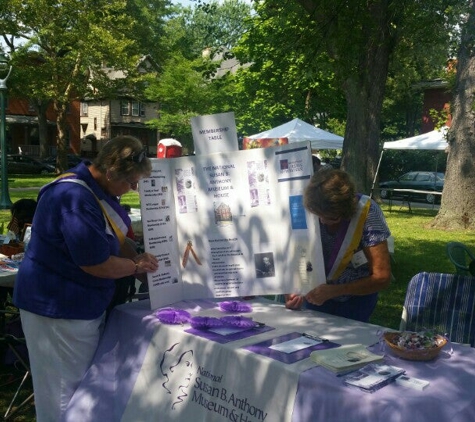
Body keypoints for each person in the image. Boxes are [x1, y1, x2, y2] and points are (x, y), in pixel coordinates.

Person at [13, 135, 159, 422]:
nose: (133, 188)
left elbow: (114, 240)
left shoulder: (94, 189)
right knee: (64, 395)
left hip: (74, 305)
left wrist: (140, 259)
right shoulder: (74, 198)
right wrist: (134, 265)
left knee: (80, 392)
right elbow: (96, 264)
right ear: (111, 172)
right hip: (58, 310)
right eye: (130, 183)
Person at [285, 169, 391, 322]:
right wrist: (291, 291)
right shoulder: (309, 206)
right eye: (317, 215)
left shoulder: (367, 212)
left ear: (346, 211)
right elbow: (292, 254)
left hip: (355, 300)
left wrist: (335, 291)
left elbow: (382, 277)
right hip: (315, 294)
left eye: (330, 218)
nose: (322, 221)